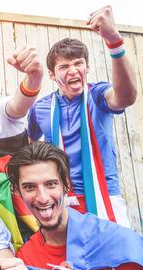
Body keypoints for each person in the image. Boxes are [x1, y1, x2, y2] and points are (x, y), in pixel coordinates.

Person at [26, 6, 137, 227]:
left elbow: (126, 96)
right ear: (52, 74)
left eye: (78, 64)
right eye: (64, 66)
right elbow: (30, 144)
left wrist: (114, 41)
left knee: (122, 258)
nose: (73, 70)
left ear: (87, 67)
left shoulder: (97, 95)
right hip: (61, 201)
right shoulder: (40, 109)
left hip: (106, 196)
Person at [6, 141, 143, 270]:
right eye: (30, 187)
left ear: (66, 184)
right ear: (18, 191)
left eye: (51, 184)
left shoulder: (118, 243)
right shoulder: (26, 260)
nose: (42, 198)